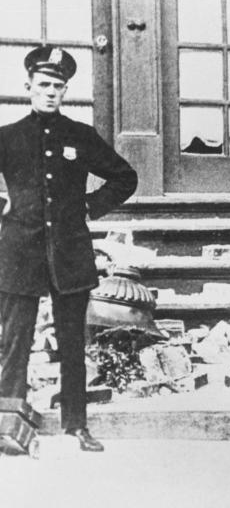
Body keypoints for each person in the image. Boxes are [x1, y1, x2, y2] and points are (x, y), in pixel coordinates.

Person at [0, 46, 138, 452]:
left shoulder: (80, 136)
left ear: (65, 91)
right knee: (15, 340)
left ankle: (76, 425)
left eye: (57, 86)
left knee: (72, 342)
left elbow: (124, 177)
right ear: (28, 86)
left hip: (70, 252)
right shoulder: (7, 137)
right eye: (43, 85)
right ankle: (9, 421)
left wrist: (89, 206)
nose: (50, 93)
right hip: (19, 253)